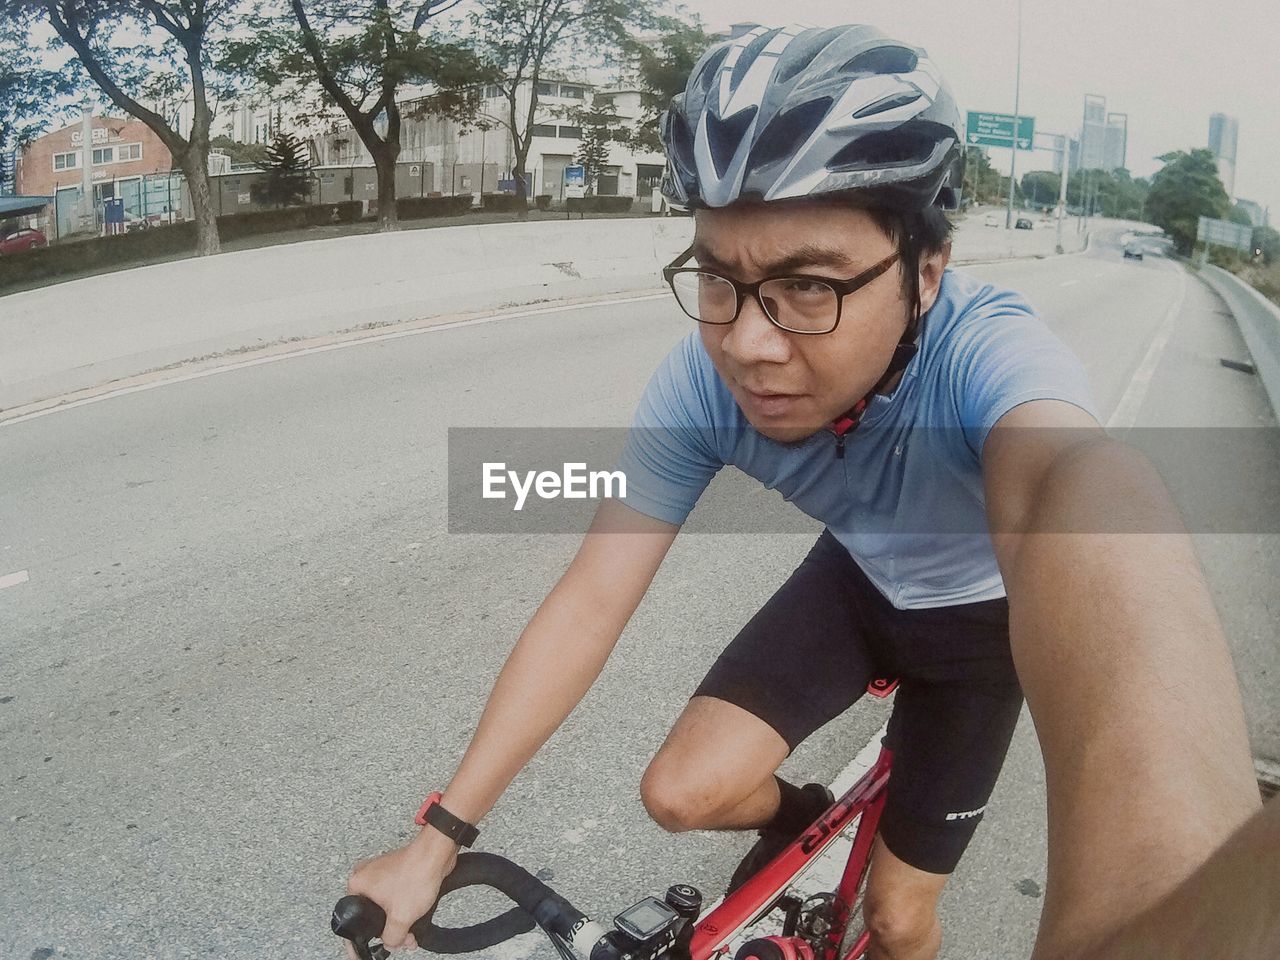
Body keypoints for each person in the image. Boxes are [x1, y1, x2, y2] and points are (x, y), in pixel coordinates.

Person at [346, 24, 1261, 960]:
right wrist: (437, 840)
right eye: (718, 279)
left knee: (901, 919)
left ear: (926, 274)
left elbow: (1082, 491)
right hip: (862, 580)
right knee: (680, 794)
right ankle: (807, 816)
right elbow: (588, 602)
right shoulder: (700, 385)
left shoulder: (991, 356)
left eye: (810, 286)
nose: (749, 344)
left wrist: (1172, 901)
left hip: (982, 625)